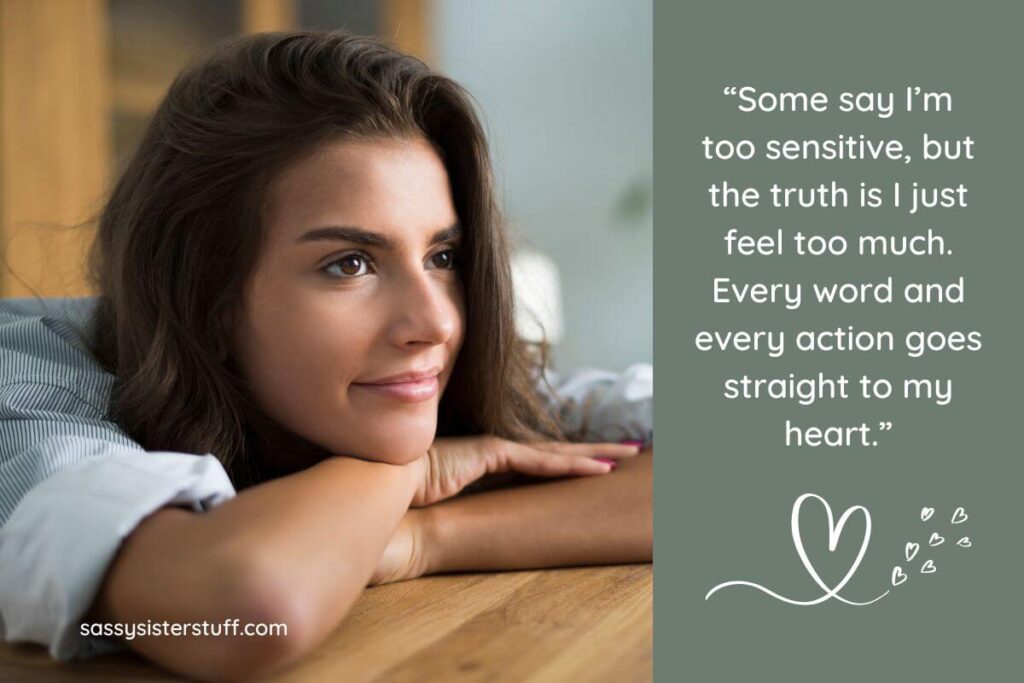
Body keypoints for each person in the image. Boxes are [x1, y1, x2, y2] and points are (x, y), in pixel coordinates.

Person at [0, 31, 652, 681]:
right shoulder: (36, 388)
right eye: (350, 263)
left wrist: (422, 536)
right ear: (207, 301)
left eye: (442, 257)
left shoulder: (418, 380)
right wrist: (408, 475)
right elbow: (237, 607)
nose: (436, 322)